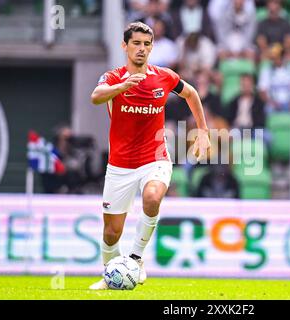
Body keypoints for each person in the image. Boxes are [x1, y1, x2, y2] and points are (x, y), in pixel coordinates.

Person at [89, 21, 211, 290]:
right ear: (125, 46)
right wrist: (121, 87)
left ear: (152, 47)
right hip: (120, 165)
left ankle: (135, 258)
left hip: (154, 159)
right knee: (111, 233)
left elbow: (191, 94)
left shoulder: (164, 77)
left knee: (153, 196)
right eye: (136, 43)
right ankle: (110, 275)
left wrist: (202, 130)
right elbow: (96, 97)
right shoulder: (113, 77)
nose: (141, 49)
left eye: (146, 44)